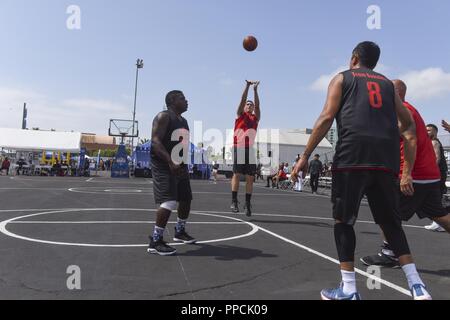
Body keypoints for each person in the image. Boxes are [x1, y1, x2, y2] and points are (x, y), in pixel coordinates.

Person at [292, 41, 430, 300]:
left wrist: (305, 156)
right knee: (390, 223)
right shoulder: (388, 85)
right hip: (385, 159)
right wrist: (406, 170)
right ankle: (417, 286)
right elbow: (409, 127)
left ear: (354, 57)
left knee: (343, 221)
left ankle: (349, 289)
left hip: (352, 156)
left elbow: (326, 117)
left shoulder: (342, 78)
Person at [361, 80, 450, 269]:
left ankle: (390, 254)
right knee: (439, 215)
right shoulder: (406, 109)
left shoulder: (401, 111)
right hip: (428, 175)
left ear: (395, 93)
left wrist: (406, 174)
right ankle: (390, 252)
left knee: (388, 214)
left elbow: (411, 140)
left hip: (415, 175)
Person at [148, 90, 196, 256]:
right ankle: (155, 241)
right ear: (173, 101)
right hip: (163, 164)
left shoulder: (184, 121)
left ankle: (179, 231)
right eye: (183, 98)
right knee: (169, 201)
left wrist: (182, 163)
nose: (186, 100)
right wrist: (170, 161)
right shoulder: (164, 116)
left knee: (186, 199)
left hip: (179, 165)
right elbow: (155, 142)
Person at [231, 80, 261, 217]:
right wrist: (247, 86)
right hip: (239, 147)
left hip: (250, 149)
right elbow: (243, 100)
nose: (249, 106)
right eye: (248, 104)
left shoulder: (255, 118)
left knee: (250, 178)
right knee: (237, 174)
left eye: (251, 105)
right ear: (244, 107)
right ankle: (234, 201)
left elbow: (258, 105)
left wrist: (255, 90)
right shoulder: (240, 115)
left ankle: (247, 203)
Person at [424, 124, 449, 232]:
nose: (426, 131)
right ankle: (437, 222)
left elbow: (436, 159)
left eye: (429, 130)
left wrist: (429, 171)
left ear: (434, 132)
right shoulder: (430, 142)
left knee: (435, 199)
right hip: (437, 173)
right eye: (425, 130)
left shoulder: (434, 142)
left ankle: (439, 223)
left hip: (437, 174)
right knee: (435, 199)